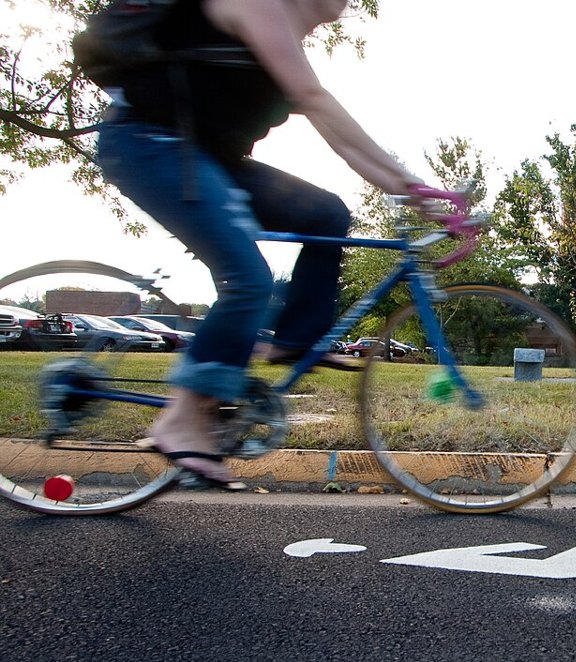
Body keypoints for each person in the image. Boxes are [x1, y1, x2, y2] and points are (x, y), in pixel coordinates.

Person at [96, 0, 433, 489]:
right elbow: (315, 98)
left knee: (326, 213)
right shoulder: (258, 3)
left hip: (208, 158)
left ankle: (297, 340)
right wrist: (409, 184)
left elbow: (340, 138)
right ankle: (181, 417)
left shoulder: (285, 35)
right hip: (150, 143)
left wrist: (411, 189)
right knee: (248, 279)